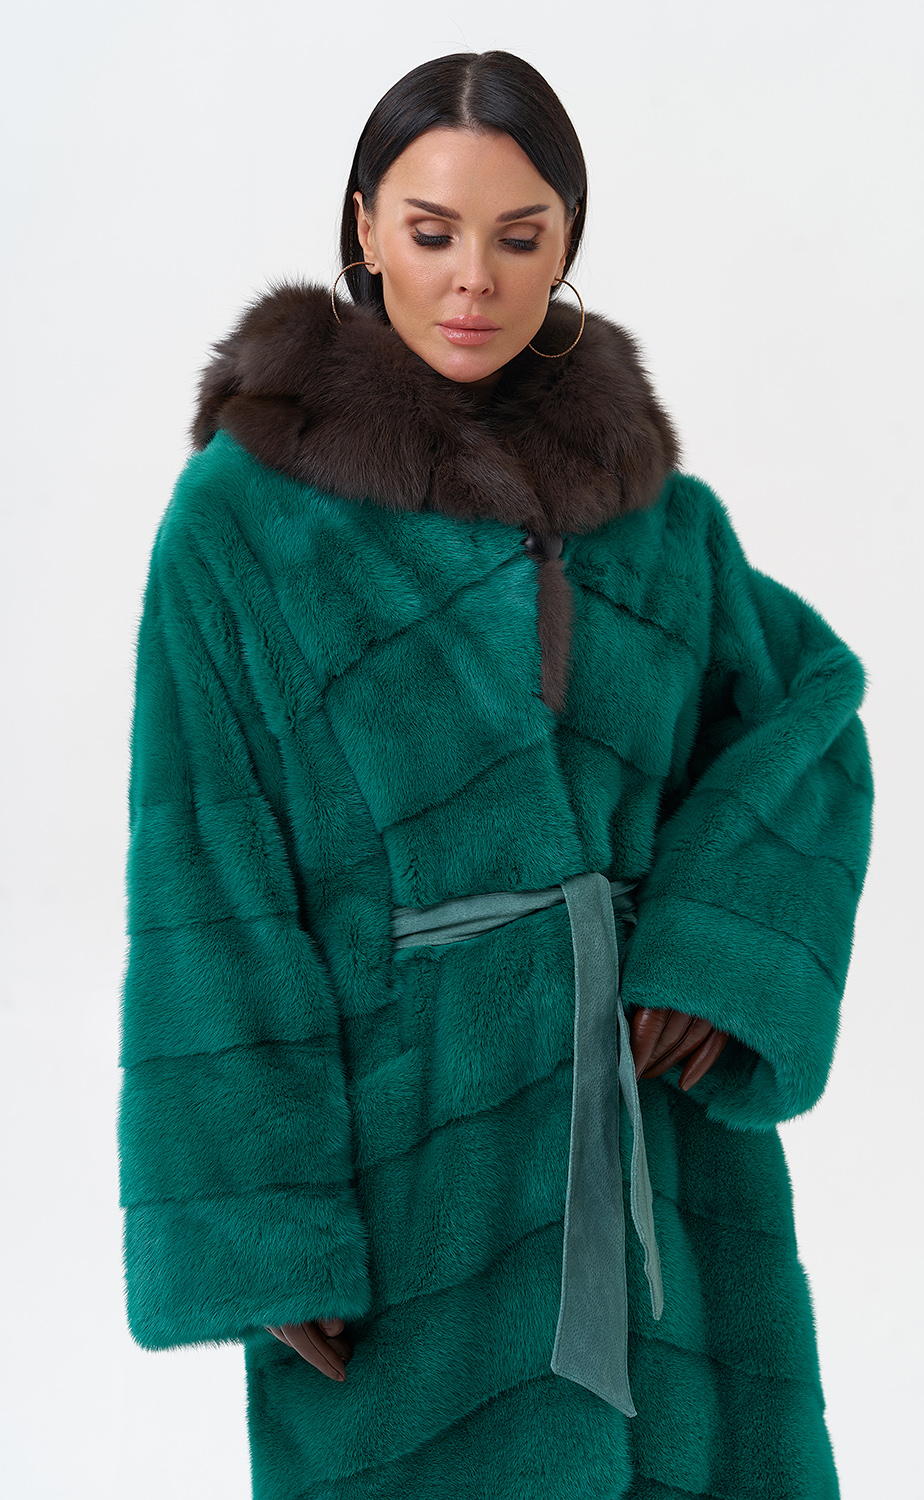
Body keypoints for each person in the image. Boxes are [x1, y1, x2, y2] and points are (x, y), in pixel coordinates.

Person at [118, 49, 873, 1500]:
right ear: (364, 227)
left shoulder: (652, 514)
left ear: (568, 240)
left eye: (521, 237)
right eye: (433, 230)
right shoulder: (245, 522)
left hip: (650, 1147)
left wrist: (714, 953)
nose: (474, 278)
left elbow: (806, 709)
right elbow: (208, 878)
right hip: (402, 1158)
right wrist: (267, 1232)